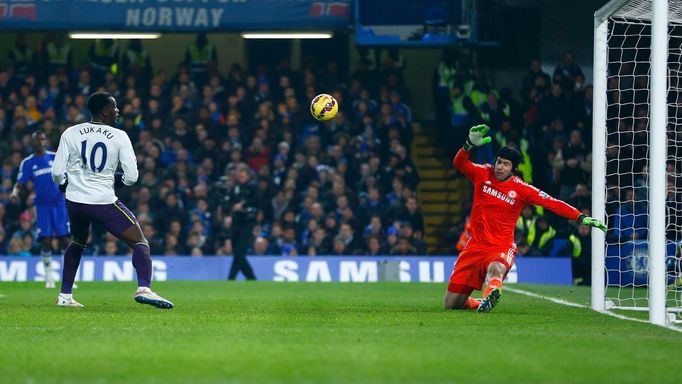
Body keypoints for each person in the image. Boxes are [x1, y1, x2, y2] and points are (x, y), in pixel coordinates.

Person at [444, 124, 606, 312]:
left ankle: (492, 293)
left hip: (500, 246)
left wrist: (579, 216)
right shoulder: (483, 173)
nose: (500, 167)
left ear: (513, 168)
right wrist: (469, 145)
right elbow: (459, 163)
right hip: (474, 246)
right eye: (499, 161)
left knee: (495, 269)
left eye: (506, 164)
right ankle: (481, 302)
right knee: (451, 305)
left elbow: (552, 203)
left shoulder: (522, 189)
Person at [51, 91, 173, 309]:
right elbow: (132, 177)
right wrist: (118, 181)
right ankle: (144, 288)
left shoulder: (71, 132)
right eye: (114, 107)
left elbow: (58, 172)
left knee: (78, 242)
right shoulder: (119, 136)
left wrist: (65, 184)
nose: (117, 111)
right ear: (105, 110)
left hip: (76, 202)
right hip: (103, 202)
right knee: (140, 242)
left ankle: (65, 295)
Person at [11, 131, 70, 289]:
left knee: (64, 238)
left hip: (59, 203)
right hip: (42, 206)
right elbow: (20, 182)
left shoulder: (55, 157)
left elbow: (69, 175)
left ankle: (68, 278)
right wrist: (14, 193)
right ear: (32, 142)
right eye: (36, 140)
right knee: (46, 240)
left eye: (42, 139)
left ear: (46, 141)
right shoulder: (28, 162)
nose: (40, 142)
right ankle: (49, 278)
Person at [225, 163, 259, 280]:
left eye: (242, 174)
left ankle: (231, 278)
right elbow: (230, 201)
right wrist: (230, 212)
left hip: (248, 221)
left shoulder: (253, 186)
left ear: (247, 175)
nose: (240, 177)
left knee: (240, 250)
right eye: (239, 175)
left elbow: (258, 200)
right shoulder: (235, 187)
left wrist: (243, 205)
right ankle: (251, 277)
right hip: (236, 220)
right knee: (237, 252)